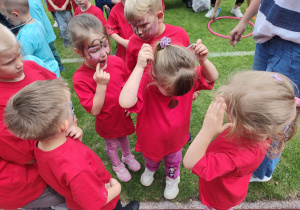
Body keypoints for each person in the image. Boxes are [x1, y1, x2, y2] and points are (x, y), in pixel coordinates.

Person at [4, 79, 140, 210]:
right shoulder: (75, 168)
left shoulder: (41, 143)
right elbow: (93, 203)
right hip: (105, 202)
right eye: (70, 109)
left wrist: (75, 131)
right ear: (64, 125)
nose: (72, 112)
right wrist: (117, 188)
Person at [183, 71, 299, 209]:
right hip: (233, 185)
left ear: (245, 127)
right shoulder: (261, 132)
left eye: (228, 110)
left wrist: (206, 131)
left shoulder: (239, 156)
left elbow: (190, 163)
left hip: (221, 196)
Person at [119, 37, 218, 199]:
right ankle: (150, 168)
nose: (176, 96)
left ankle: (172, 177)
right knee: (151, 159)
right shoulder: (147, 81)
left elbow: (212, 76)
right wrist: (138, 67)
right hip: (151, 139)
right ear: (156, 77)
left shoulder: (185, 76)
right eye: (171, 91)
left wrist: (204, 61)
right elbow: (125, 101)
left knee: (173, 161)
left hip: (176, 139)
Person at [229, 0, 300, 182]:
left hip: (294, 47)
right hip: (266, 38)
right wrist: (244, 21)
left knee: (274, 117)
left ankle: (260, 172)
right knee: (252, 103)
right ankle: (250, 157)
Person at [0, 23, 68, 210]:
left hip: (51, 155)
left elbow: (59, 93)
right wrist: (63, 134)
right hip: (25, 183)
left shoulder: (31, 67)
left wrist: (70, 121)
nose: (20, 63)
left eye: (19, 53)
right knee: (71, 199)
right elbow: (26, 153)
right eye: (9, 62)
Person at [69, 14, 140, 182]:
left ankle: (127, 156)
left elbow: (126, 84)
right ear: (79, 52)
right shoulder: (79, 78)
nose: (103, 54)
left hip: (122, 114)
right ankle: (116, 164)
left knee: (124, 137)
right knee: (112, 144)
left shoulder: (116, 61)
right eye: (94, 50)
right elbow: (94, 110)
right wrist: (101, 85)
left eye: (105, 45)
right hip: (107, 120)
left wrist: (130, 105)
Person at [0, 0, 60, 78]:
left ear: (16, 15)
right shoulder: (36, 23)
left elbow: (23, 59)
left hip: (44, 73)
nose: (11, 23)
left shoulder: (26, 35)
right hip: (52, 67)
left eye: (10, 20)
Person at [124, 0, 184, 73]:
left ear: (159, 17)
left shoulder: (179, 35)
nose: (138, 32)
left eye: (143, 25)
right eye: (133, 25)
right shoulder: (133, 42)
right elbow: (129, 73)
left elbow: (188, 68)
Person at [28, 0, 65, 72]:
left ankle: (59, 67)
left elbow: (37, 22)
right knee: (51, 51)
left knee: (51, 51)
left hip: (44, 34)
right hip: (44, 32)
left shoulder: (31, 4)